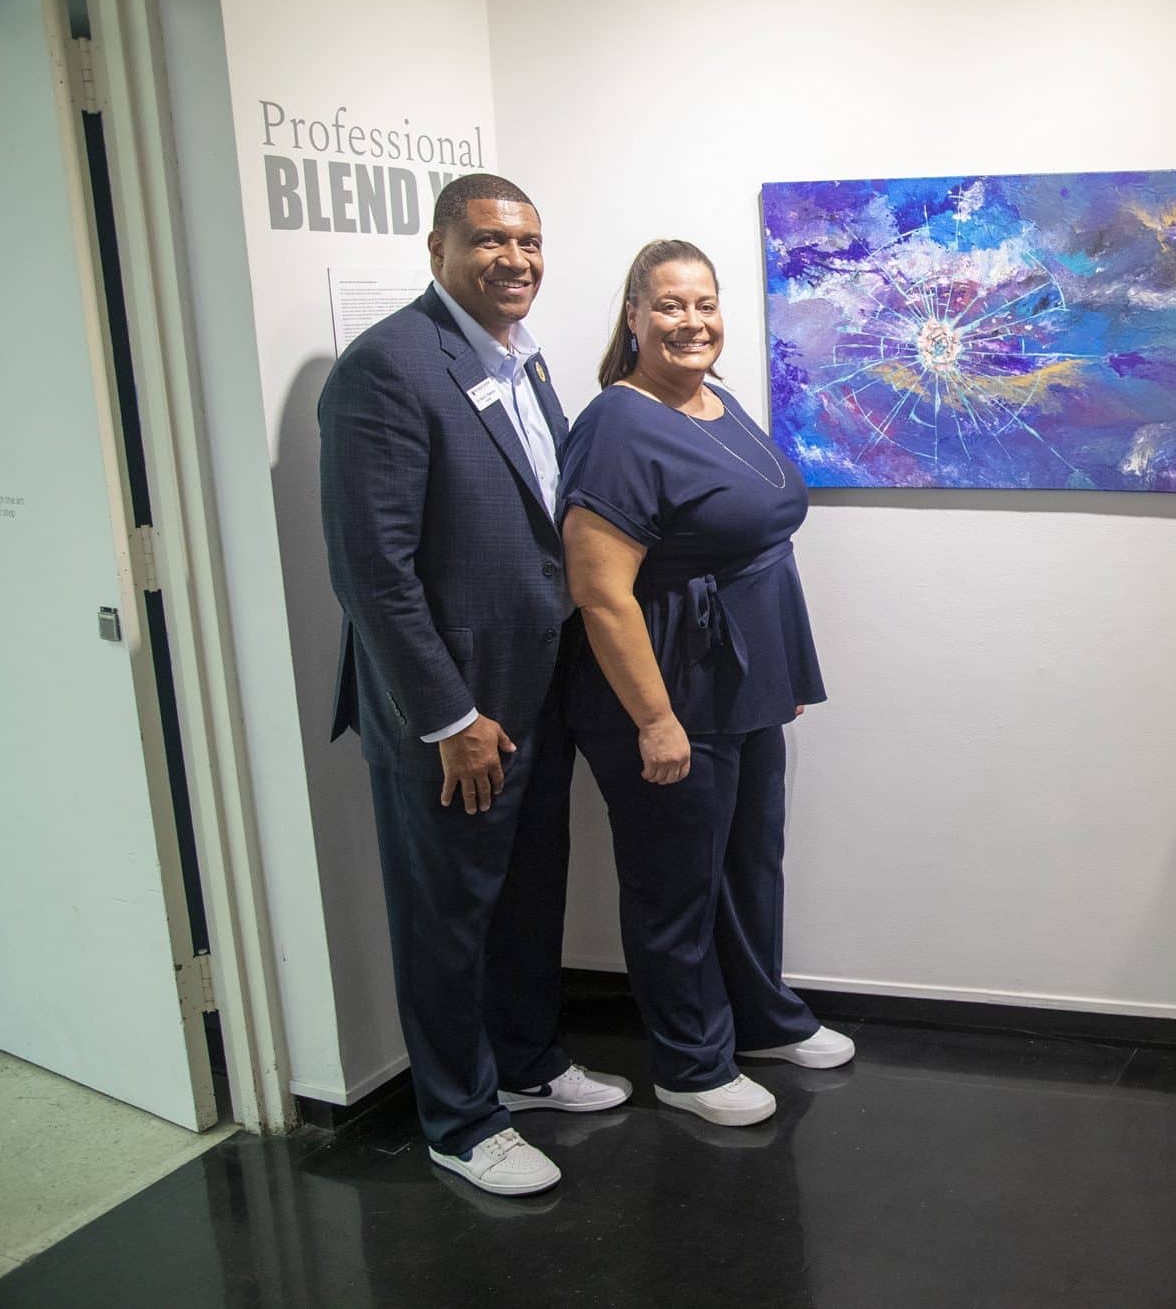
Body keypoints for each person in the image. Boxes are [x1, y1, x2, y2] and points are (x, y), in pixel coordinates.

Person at [319, 173, 630, 1197]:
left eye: (529, 242)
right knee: (447, 914)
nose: (516, 260)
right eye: (492, 241)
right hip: (455, 710)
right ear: (438, 248)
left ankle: (528, 1063)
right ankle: (458, 1118)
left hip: (536, 688)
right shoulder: (388, 368)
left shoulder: (520, 357)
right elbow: (372, 571)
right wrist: (449, 716)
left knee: (529, 892)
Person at [559, 239, 852, 1128]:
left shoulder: (714, 401)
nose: (692, 322)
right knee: (675, 881)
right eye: (670, 305)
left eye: (705, 303)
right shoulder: (619, 422)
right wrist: (654, 718)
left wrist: (781, 669)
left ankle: (760, 1019)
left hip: (744, 685)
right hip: (669, 687)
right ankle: (690, 1063)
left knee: (750, 865)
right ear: (634, 318)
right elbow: (600, 591)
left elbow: (753, 547)